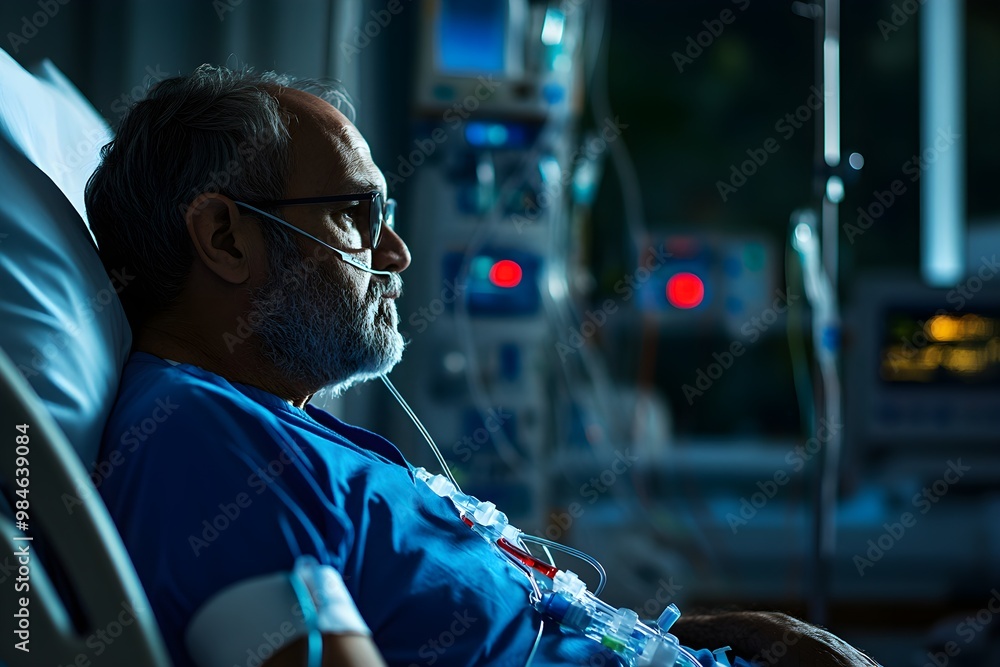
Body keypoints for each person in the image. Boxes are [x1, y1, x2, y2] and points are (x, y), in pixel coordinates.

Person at [86, 65, 878, 667]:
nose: (394, 253)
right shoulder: (203, 447)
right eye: (360, 215)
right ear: (226, 236)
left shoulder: (281, 427)